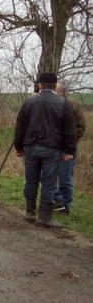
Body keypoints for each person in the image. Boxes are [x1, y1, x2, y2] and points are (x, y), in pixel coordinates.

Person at [14, 73, 77, 228]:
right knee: (49, 183)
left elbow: (20, 126)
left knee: (31, 180)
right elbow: (70, 130)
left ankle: (29, 213)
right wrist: (70, 150)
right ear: (54, 86)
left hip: (31, 147)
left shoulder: (29, 101)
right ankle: (44, 217)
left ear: (40, 85)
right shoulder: (63, 103)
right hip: (53, 148)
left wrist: (18, 147)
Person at [53, 80, 86, 215]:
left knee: (66, 178)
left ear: (62, 92)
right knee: (48, 176)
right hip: (51, 147)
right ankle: (56, 202)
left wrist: (70, 142)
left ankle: (65, 206)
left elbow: (81, 127)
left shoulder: (73, 106)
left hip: (67, 148)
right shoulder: (49, 105)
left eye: (56, 91)